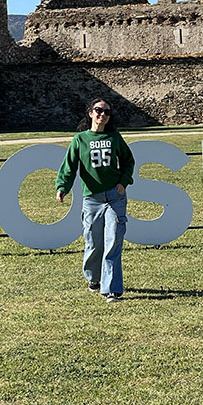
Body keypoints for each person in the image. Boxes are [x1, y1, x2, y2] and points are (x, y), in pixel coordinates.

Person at [56, 99, 135, 303]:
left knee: (113, 241)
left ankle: (112, 290)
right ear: (90, 113)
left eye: (107, 112)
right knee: (93, 242)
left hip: (114, 197)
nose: (103, 115)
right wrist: (62, 187)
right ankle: (93, 278)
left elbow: (128, 161)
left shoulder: (115, 137)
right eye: (99, 110)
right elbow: (69, 165)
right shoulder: (80, 139)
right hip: (92, 199)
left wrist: (123, 182)